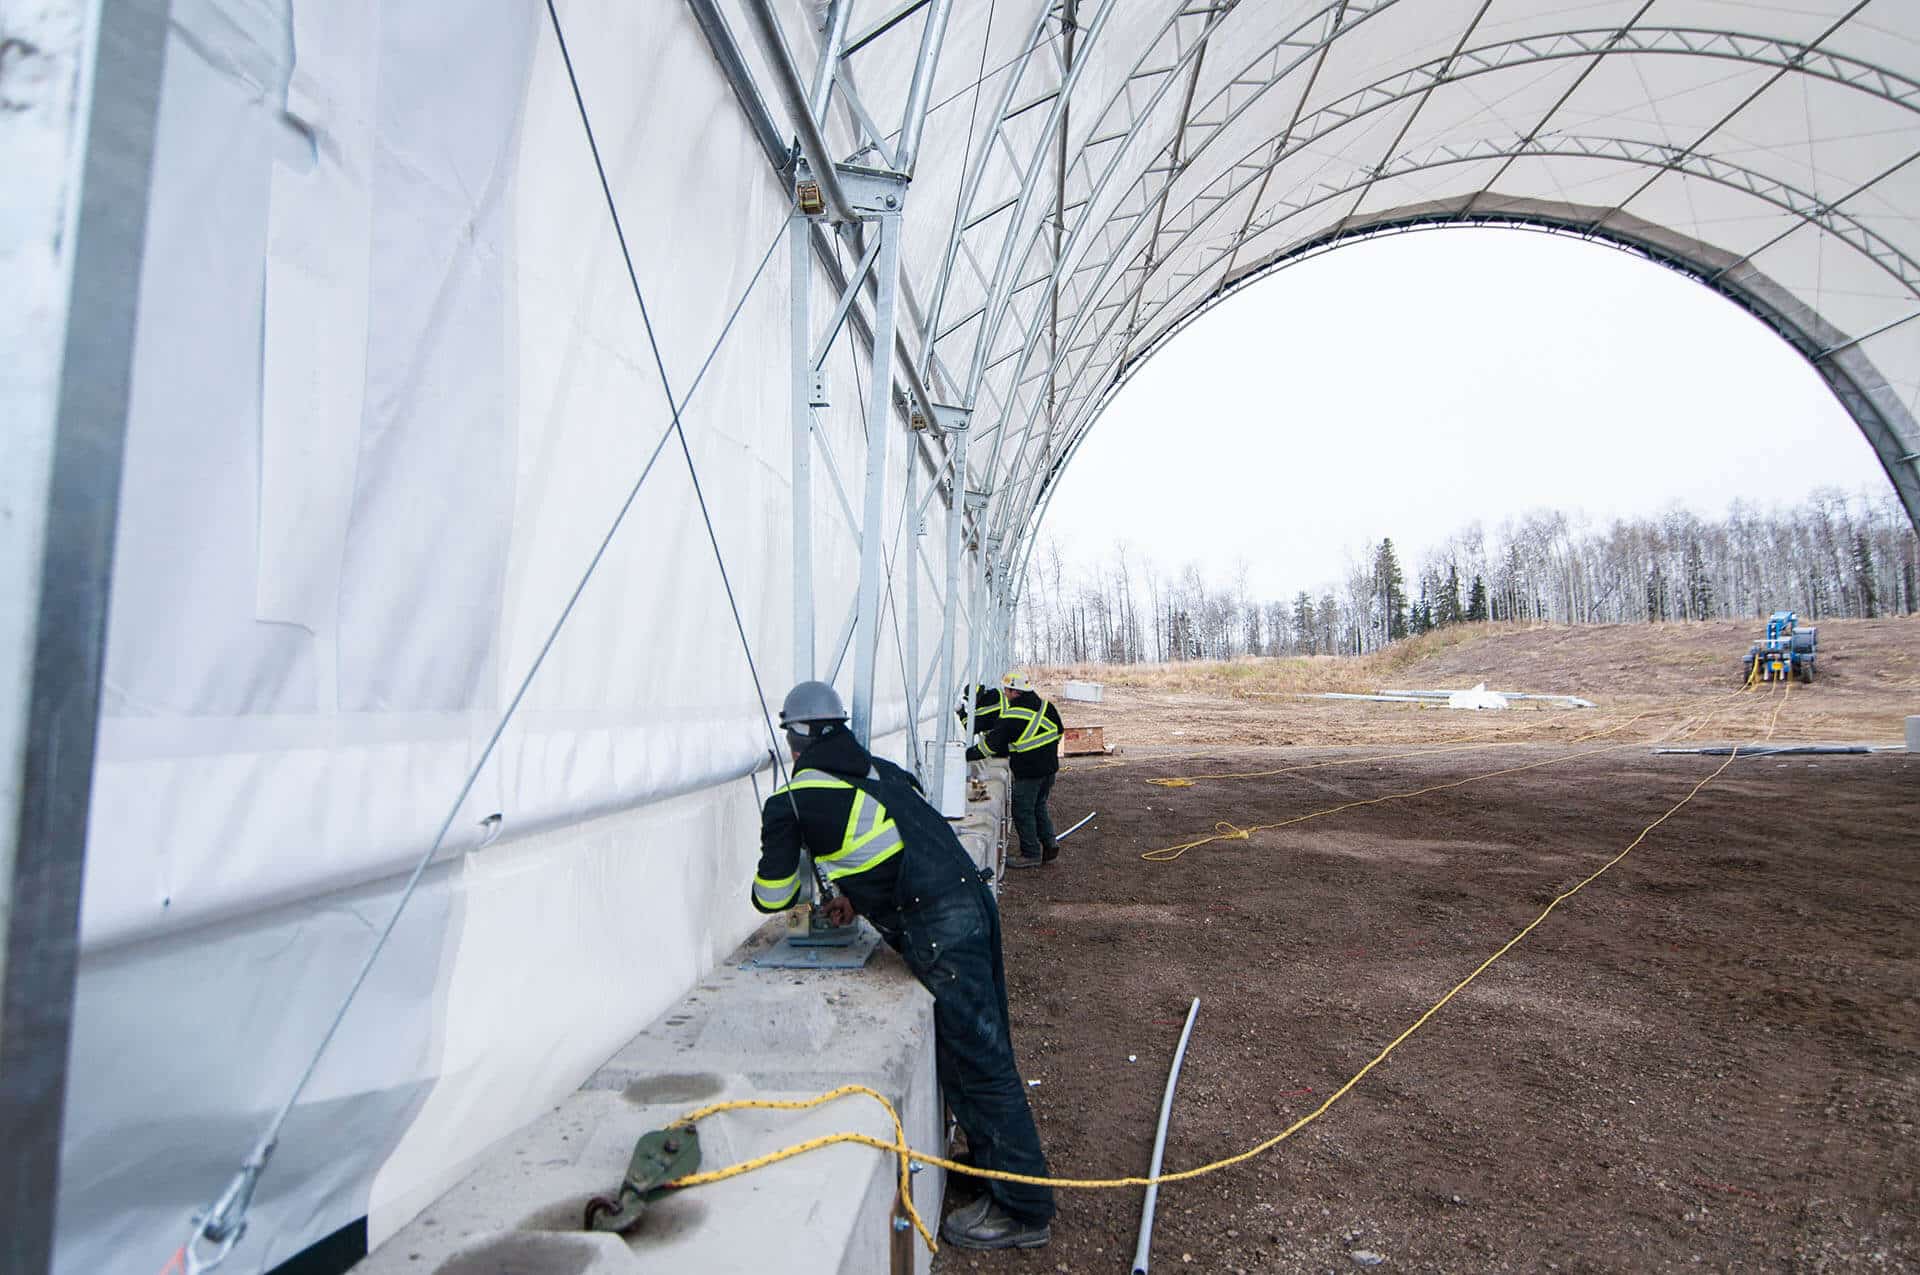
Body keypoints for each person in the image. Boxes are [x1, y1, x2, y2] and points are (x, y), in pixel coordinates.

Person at [752, 681, 1055, 1250]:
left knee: (980, 1060)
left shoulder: (792, 800)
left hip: (939, 923)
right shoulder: (878, 770)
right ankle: (995, 1167)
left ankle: (1024, 1208)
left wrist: (782, 846)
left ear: (794, 738)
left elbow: (771, 897)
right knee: (975, 1051)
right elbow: (895, 840)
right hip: (969, 902)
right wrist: (857, 896)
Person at [966, 673, 1063, 869]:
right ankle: (1050, 844)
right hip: (1049, 770)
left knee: (1023, 810)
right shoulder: (1047, 706)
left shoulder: (1011, 716)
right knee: (1039, 805)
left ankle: (1031, 853)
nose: (1004, 694)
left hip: (1029, 772)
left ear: (1015, 692)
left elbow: (989, 747)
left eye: (1007, 690)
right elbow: (1059, 731)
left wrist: (966, 754)